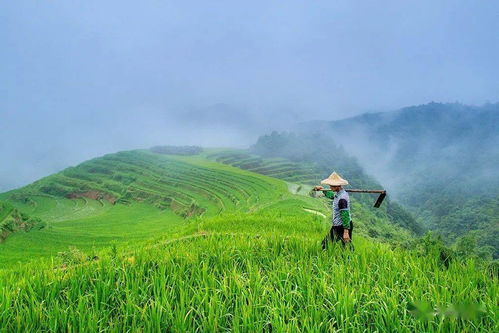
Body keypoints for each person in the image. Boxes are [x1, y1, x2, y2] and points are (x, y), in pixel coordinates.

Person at [313, 172, 353, 250]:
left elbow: (345, 215)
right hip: (340, 225)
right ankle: (350, 257)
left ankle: (350, 259)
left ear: (337, 186)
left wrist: (346, 232)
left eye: (331, 185)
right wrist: (323, 190)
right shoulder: (339, 194)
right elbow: (333, 197)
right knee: (346, 246)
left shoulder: (342, 199)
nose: (330, 187)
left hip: (341, 226)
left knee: (325, 245)